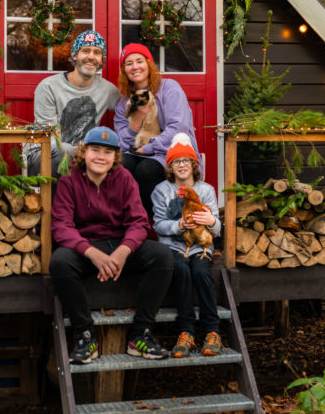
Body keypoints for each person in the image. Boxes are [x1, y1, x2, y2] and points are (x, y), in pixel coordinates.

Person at [49, 126, 173, 364]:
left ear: (115, 156)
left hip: (118, 245)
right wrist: (92, 253)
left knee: (163, 256)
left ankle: (140, 334)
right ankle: (85, 335)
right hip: (86, 248)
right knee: (59, 262)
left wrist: (123, 252)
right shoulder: (69, 179)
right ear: (83, 152)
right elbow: (61, 226)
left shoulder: (125, 178)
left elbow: (139, 222)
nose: (100, 156)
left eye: (108, 152)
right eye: (95, 150)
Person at [151, 133, 223, 358]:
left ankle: (212, 331)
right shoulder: (161, 190)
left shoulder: (206, 190)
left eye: (186, 161)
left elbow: (217, 227)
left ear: (194, 164)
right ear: (170, 167)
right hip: (173, 247)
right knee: (181, 270)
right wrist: (180, 224)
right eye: (176, 161)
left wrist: (210, 221)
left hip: (201, 246)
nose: (181, 165)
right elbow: (158, 225)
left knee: (201, 271)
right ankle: (186, 331)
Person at [114, 43, 201, 219]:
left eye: (139, 61)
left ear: (149, 64)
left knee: (146, 170)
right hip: (136, 152)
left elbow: (178, 127)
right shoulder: (123, 102)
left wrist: (147, 148)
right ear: (124, 70)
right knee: (122, 166)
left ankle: (149, 225)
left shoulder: (169, 88)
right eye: (128, 63)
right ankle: (125, 224)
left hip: (170, 152)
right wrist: (137, 119)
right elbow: (122, 142)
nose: (135, 67)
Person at [27, 31, 119, 177]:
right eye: (85, 51)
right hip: (43, 155)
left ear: (102, 60)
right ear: (75, 55)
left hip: (85, 160)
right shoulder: (49, 87)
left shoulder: (108, 90)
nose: (91, 56)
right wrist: (87, 156)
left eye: (97, 52)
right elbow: (47, 138)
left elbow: (129, 111)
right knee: (65, 151)